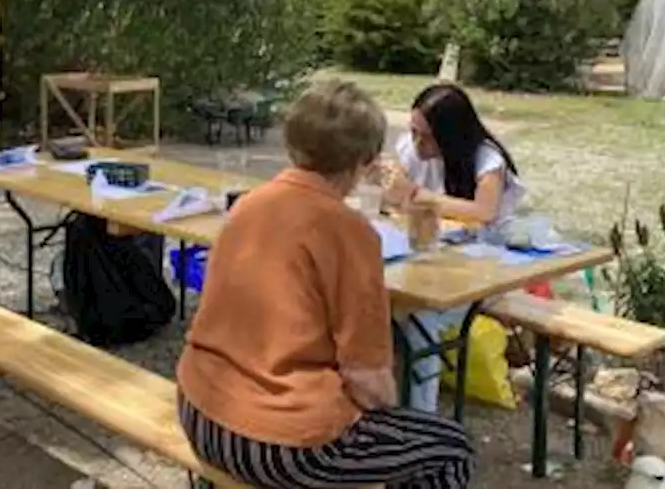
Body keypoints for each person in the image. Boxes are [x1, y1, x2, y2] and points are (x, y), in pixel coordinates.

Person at [176, 78, 475, 489]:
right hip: (275, 441)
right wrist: (385, 420)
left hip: (200, 406)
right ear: (365, 160)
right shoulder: (348, 231)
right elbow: (368, 379)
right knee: (448, 447)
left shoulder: (249, 205)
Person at [382, 82, 526, 413]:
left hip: (481, 272)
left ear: (451, 136)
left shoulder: (486, 160)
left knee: (421, 318)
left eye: (427, 136)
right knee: (373, 303)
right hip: (427, 259)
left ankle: (423, 418)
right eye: (414, 131)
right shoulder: (410, 148)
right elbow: (393, 201)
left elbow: (482, 212)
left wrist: (417, 194)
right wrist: (387, 182)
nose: (418, 143)